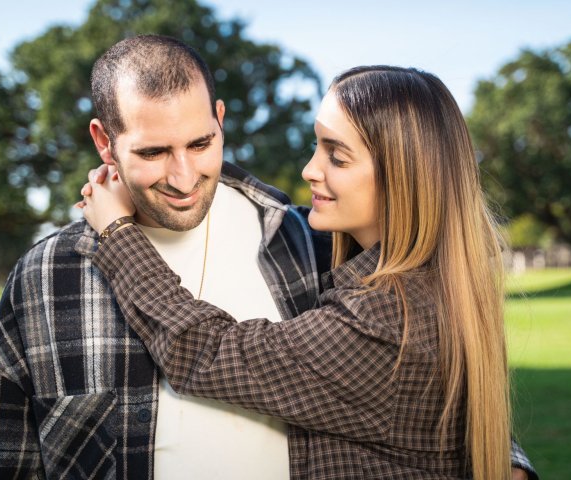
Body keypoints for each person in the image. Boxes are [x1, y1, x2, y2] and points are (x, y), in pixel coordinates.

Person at [80, 65, 539, 479]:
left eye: (337, 157)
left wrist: (118, 234)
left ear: (405, 176)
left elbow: (206, 354)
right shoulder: (388, 269)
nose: (309, 169)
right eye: (316, 145)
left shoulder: (391, 317)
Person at [0, 35, 328, 480]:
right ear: (105, 142)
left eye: (200, 144)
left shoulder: (309, 244)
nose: (183, 178)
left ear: (220, 120)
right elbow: (6, 462)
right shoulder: (44, 277)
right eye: (153, 152)